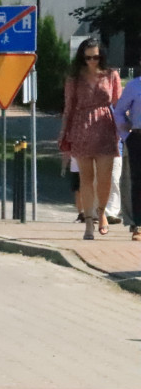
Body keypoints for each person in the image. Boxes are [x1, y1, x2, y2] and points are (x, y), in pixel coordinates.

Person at [59, 38, 121, 239]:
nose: (92, 61)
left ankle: (102, 213)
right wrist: (64, 135)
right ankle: (88, 222)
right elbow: (68, 108)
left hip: (105, 127)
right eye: (87, 58)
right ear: (81, 58)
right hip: (81, 127)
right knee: (86, 178)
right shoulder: (74, 78)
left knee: (105, 179)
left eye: (95, 57)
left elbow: (118, 105)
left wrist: (124, 131)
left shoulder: (111, 75)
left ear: (101, 56)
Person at [112, 70, 141, 240]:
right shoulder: (133, 85)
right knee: (138, 181)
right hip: (138, 137)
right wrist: (127, 136)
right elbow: (119, 111)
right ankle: (138, 223)